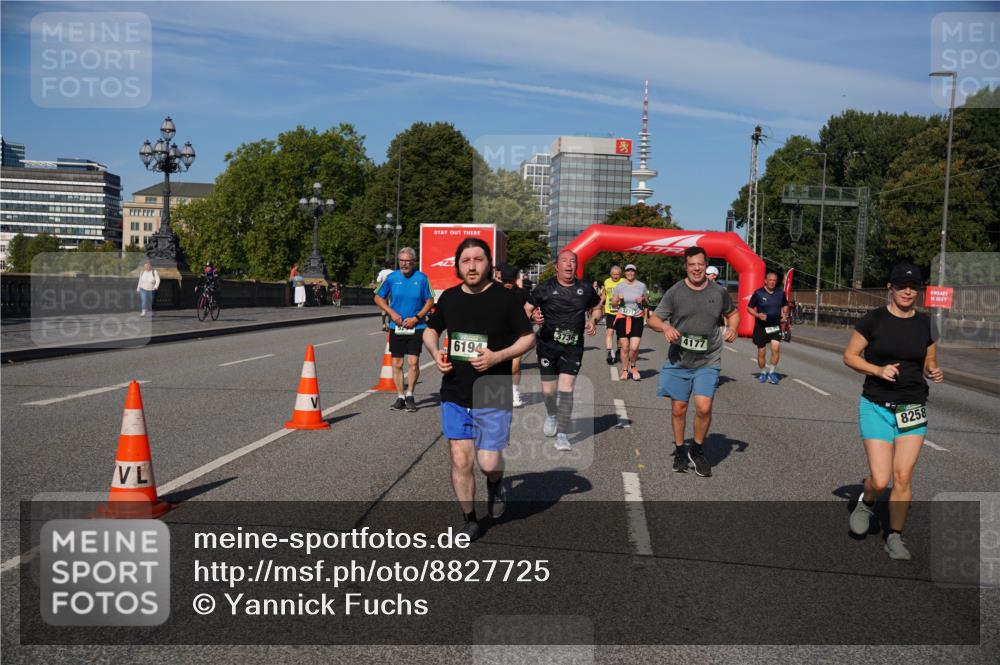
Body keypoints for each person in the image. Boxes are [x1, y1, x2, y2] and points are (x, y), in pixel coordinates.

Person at [422, 238, 535, 541]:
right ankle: (470, 519)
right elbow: (431, 331)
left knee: (488, 463)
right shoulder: (449, 298)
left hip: (493, 390)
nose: (472, 266)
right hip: (455, 391)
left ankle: (495, 482)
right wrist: (435, 352)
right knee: (461, 459)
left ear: (488, 264)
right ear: (458, 265)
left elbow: (528, 338)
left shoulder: (505, 299)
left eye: (478, 259)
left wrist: (498, 357)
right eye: (466, 260)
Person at [843, 263, 943, 561]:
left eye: (913, 287)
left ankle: (895, 536)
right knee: (880, 478)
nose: (907, 291)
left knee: (902, 476)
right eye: (901, 286)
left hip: (912, 406)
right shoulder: (873, 320)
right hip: (876, 406)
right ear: (891, 287)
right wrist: (877, 369)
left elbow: (929, 359)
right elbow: (849, 356)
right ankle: (867, 501)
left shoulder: (926, 324)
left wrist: (933, 370)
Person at [647, 246, 739, 477]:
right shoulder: (676, 292)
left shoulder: (718, 292)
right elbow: (653, 319)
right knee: (679, 409)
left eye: (700, 264)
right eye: (692, 265)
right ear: (685, 266)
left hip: (708, 359)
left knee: (704, 407)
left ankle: (696, 450)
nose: (696, 268)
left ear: (706, 265)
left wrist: (733, 328)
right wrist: (665, 327)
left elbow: (733, 313)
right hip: (679, 360)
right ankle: (680, 450)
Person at [525, 250, 602, 451]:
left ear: (576, 266)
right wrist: (533, 317)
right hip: (547, 346)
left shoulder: (585, 288)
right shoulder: (545, 287)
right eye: (565, 261)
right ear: (557, 266)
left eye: (573, 261)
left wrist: (593, 320)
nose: (569, 264)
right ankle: (552, 414)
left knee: (566, 389)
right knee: (548, 392)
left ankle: (562, 434)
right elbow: (526, 309)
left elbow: (597, 308)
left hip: (573, 347)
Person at [375, 247, 434, 412]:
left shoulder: (422, 278)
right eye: (401, 260)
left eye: (408, 261)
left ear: (413, 262)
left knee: (413, 363)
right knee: (397, 363)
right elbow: (378, 297)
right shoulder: (392, 278)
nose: (404, 264)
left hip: (416, 326)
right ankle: (400, 396)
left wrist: (416, 318)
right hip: (397, 326)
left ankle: (410, 395)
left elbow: (430, 301)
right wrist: (392, 313)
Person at [747, 270, 790, 384]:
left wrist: (785, 313)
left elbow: (785, 304)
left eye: (774, 280)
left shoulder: (780, 293)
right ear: (765, 281)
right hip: (761, 326)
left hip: (775, 325)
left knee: (776, 348)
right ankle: (762, 372)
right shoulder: (758, 293)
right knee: (761, 352)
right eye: (770, 280)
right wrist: (757, 315)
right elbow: (749, 308)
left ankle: (771, 372)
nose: (772, 282)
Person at [497, 264, 530, 408]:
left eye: (510, 281)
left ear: (515, 280)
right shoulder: (493, 292)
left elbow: (531, 309)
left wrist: (534, 316)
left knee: (515, 366)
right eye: (505, 281)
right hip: (497, 334)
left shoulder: (523, 293)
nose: (508, 284)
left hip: (517, 334)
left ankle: (515, 393)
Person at [611, 264, 648, 381]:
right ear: (625, 273)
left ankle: (633, 366)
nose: (630, 273)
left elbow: (646, 302)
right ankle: (625, 370)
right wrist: (616, 300)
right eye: (628, 271)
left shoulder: (641, 286)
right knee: (625, 347)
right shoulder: (620, 286)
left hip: (637, 317)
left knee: (634, 347)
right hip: (622, 317)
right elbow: (613, 304)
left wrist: (642, 299)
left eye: (632, 271)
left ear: (635, 273)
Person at [602, 265, 625, 365]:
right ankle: (609, 352)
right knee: (610, 331)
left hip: (621, 312)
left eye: (618, 274)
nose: (616, 276)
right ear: (610, 274)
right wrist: (600, 303)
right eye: (614, 274)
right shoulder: (606, 282)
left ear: (620, 274)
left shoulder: (624, 281)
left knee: (620, 334)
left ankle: (619, 351)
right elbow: (605, 294)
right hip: (610, 311)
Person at [376, 261, 394, 330]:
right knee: (390, 308)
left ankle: (383, 324)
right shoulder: (393, 272)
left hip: (383, 292)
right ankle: (389, 324)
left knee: (384, 308)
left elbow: (378, 280)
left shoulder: (382, 272)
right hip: (391, 292)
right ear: (391, 266)